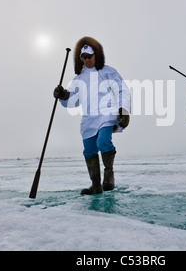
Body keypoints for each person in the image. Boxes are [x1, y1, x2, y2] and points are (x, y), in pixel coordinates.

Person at [54, 36, 131, 195]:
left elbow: (122, 90)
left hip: (107, 114)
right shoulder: (78, 78)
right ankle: (95, 184)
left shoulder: (108, 71)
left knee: (103, 141)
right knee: (89, 150)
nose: (87, 59)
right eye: (84, 57)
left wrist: (124, 110)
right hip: (89, 118)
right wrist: (63, 96)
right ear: (80, 58)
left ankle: (109, 174)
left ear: (97, 54)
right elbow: (73, 102)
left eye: (90, 56)